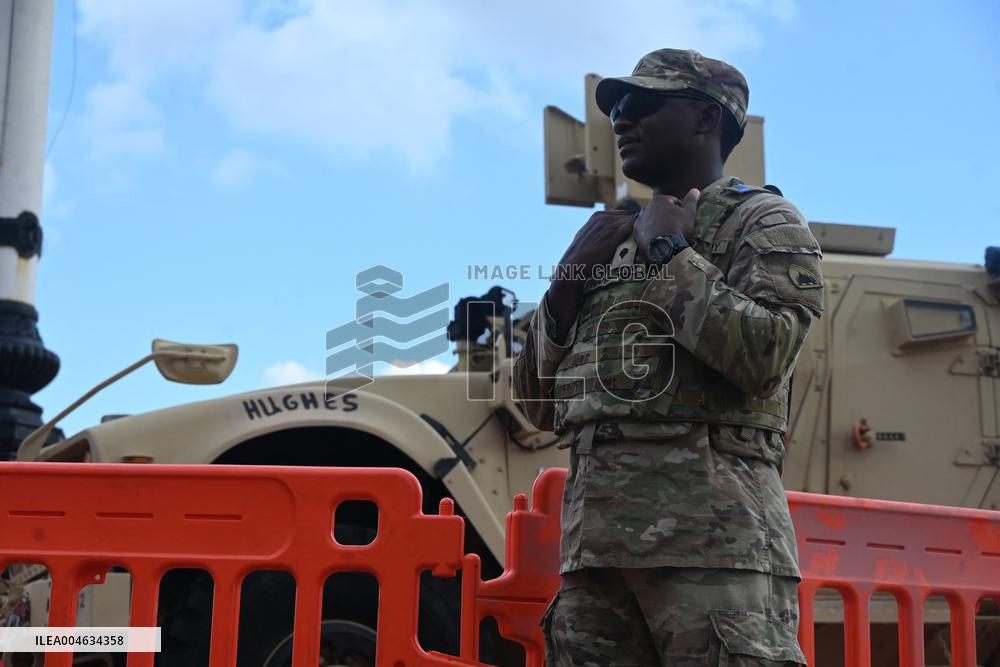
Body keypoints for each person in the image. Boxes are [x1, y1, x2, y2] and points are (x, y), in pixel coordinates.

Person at [513, 48, 824, 666]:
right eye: (617, 111)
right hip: (595, 558)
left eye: (642, 105)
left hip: (713, 556)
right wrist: (567, 285)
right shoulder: (606, 242)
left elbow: (765, 357)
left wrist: (670, 256)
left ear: (708, 119)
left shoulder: (762, 221)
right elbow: (534, 405)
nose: (621, 121)